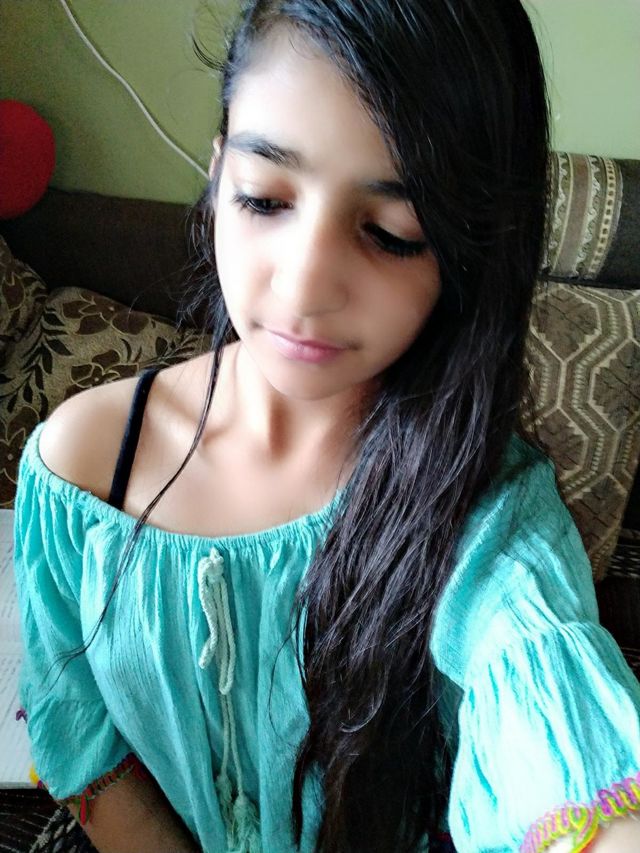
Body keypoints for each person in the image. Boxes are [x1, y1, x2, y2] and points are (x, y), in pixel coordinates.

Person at [12, 1, 640, 851]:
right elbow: (86, 746)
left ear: (467, 253)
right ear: (218, 176)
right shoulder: (81, 467)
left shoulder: (488, 517)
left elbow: (561, 742)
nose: (304, 285)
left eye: (390, 233)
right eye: (265, 198)